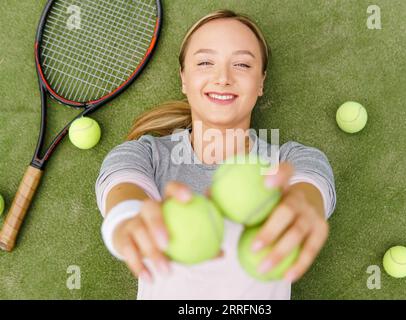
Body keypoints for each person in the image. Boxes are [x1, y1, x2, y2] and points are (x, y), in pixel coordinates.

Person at [95, 9, 336, 300]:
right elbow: (123, 197)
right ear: (183, 78)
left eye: (242, 65)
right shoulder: (143, 156)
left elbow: (311, 186)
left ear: (261, 82)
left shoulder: (291, 161)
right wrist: (129, 222)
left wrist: (303, 206)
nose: (223, 78)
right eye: (206, 62)